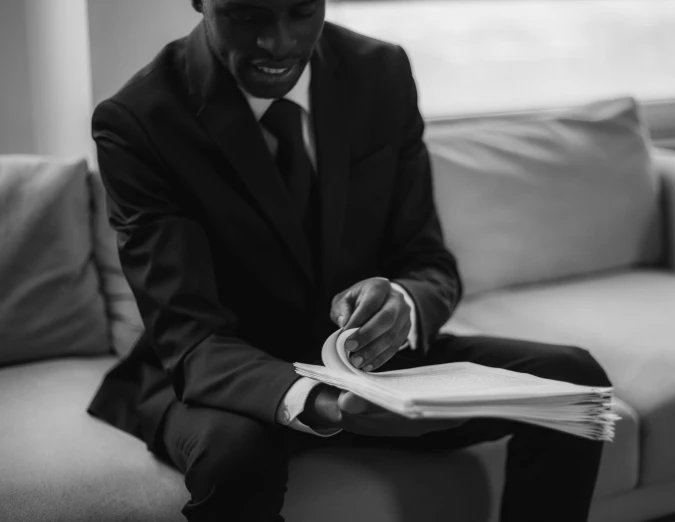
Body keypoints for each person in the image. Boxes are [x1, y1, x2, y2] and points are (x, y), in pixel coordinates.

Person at [87, 0, 612, 520]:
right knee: (237, 459)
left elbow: (428, 260)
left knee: (572, 380)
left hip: (365, 366)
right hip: (218, 374)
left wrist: (403, 303)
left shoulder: (380, 72)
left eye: (300, 10)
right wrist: (323, 403)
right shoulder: (138, 120)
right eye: (245, 14)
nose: (279, 42)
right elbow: (191, 334)